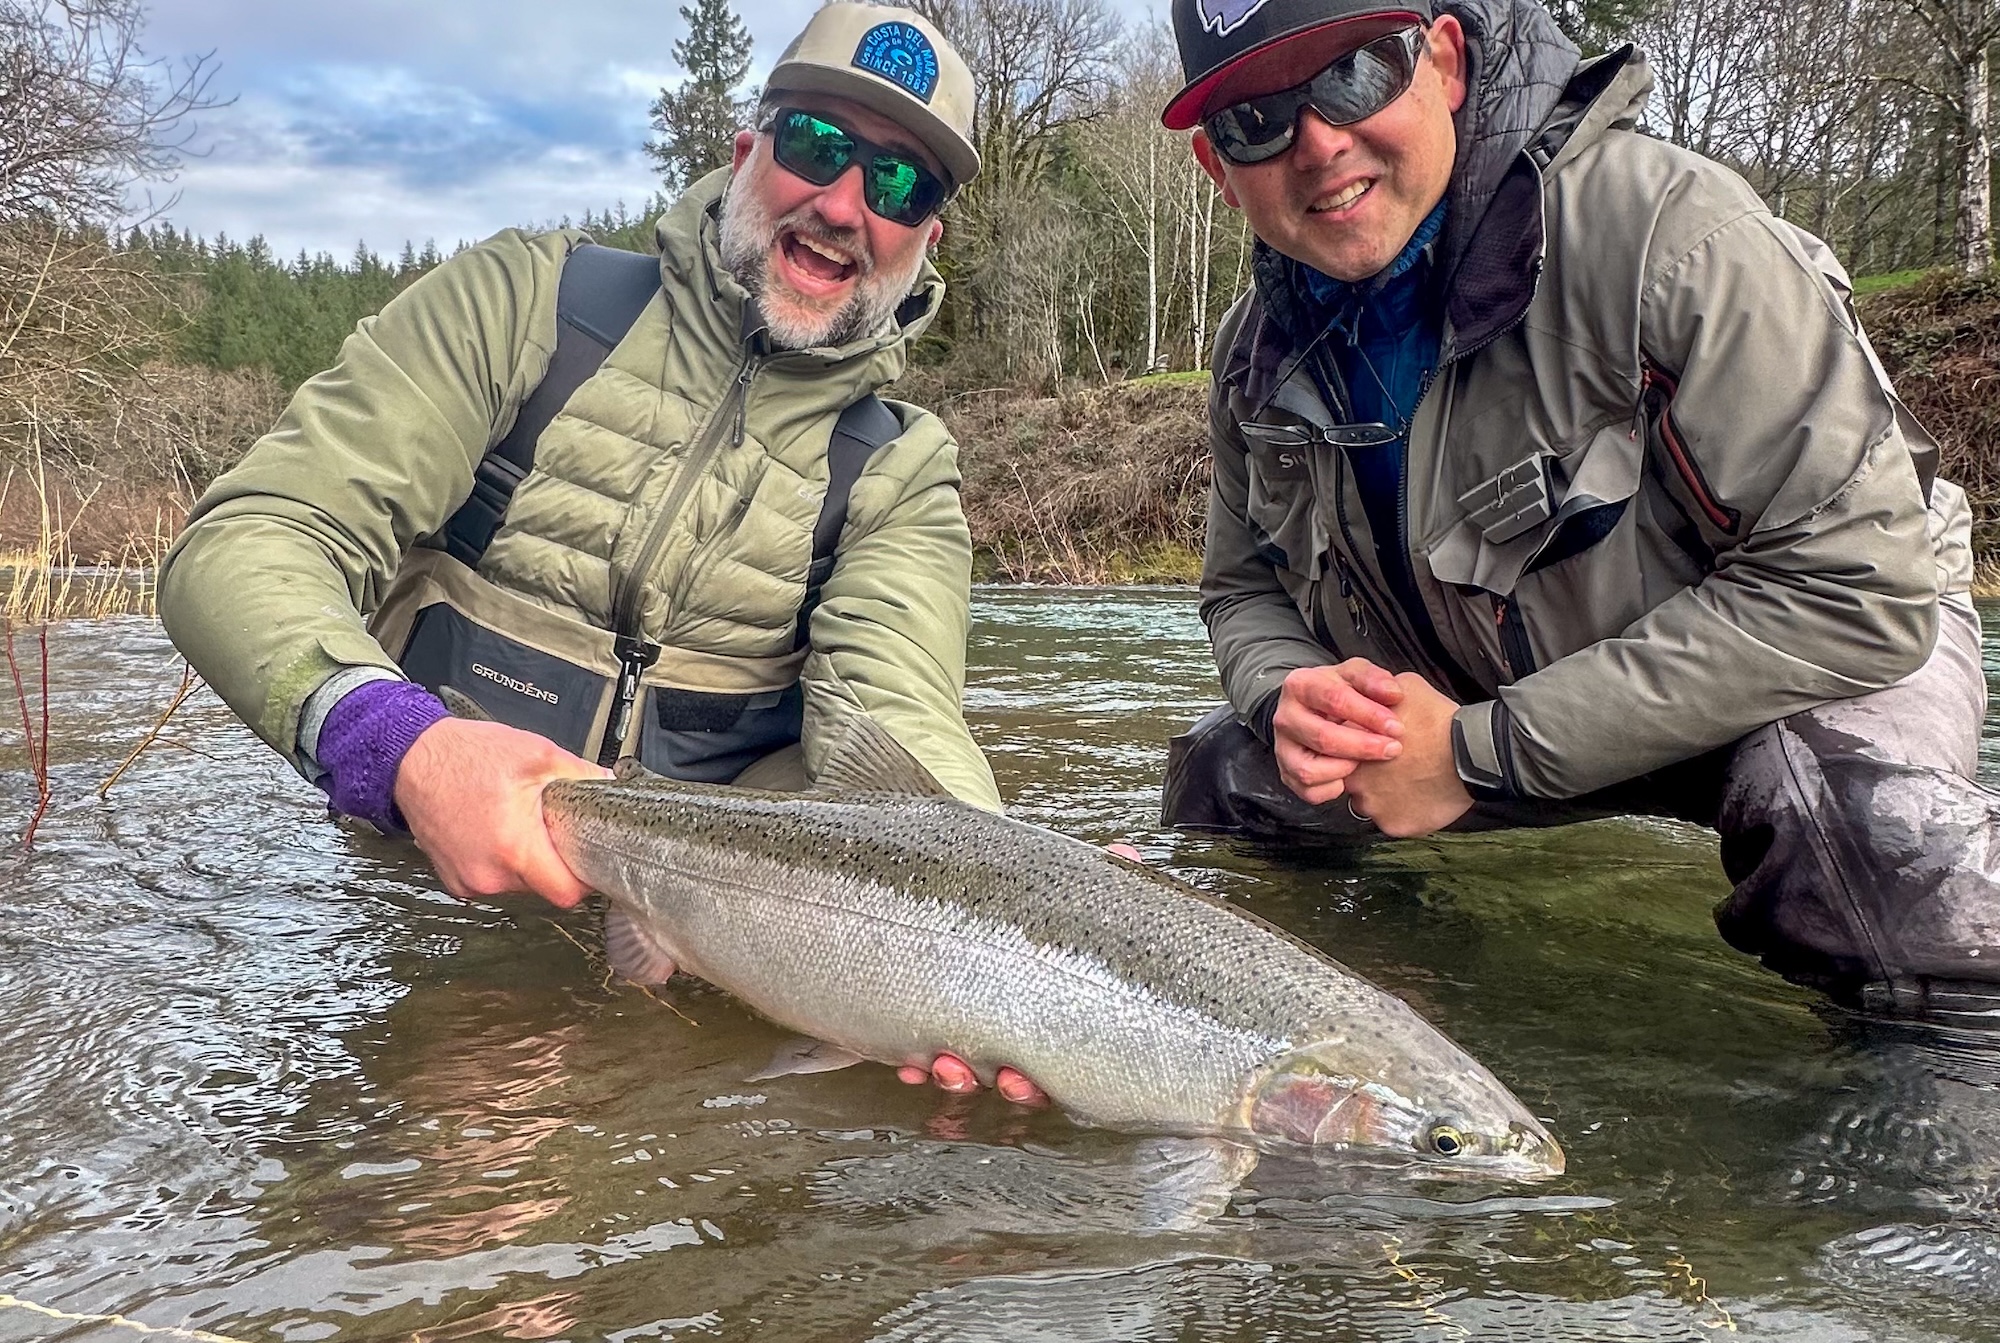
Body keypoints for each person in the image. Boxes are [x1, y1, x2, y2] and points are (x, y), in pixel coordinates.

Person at [160, 4, 1043, 1101]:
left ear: (924, 240)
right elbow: (251, 535)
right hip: (415, 906)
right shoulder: (524, 305)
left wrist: (1019, 896)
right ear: (744, 151)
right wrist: (397, 744)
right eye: (817, 144)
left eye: (900, 184)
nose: (843, 203)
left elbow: (898, 721)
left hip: (711, 951)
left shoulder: (901, 469)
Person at [1157, 0, 2000, 1019]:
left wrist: (1477, 754)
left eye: (1353, 74)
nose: (1320, 142)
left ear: (1444, 63)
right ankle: (1385, 1040)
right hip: (1483, 696)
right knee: (1229, 777)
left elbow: (1849, 589)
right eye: (1258, 119)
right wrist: (1291, 692)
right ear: (1217, 166)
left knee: (1861, 836)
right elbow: (1242, 585)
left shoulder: (1673, 237)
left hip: (1793, 671)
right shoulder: (1255, 349)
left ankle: (1918, 1147)